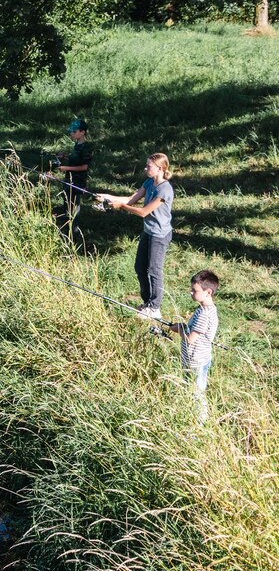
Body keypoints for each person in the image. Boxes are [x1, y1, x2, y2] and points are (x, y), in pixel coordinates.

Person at [95, 153, 174, 319]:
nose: (145, 169)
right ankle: (147, 304)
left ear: (160, 168)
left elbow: (144, 211)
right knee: (140, 267)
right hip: (148, 231)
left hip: (160, 235)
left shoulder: (165, 189)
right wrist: (108, 197)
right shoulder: (149, 182)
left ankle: (155, 308)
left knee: (154, 270)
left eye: (149, 166)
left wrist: (121, 206)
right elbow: (131, 199)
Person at [168, 270, 220, 423]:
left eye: (195, 290)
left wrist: (179, 329)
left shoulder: (203, 314)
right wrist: (184, 326)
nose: (191, 292)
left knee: (196, 393)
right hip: (201, 358)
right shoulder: (209, 309)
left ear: (208, 292)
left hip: (195, 361)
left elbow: (190, 339)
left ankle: (200, 423)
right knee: (193, 389)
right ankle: (191, 415)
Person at [51, 120, 93, 230]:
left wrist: (65, 168)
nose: (71, 134)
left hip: (77, 181)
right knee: (67, 202)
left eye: (74, 132)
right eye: (71, 132)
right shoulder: (77, 145)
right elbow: (75, 159)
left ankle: (74, 231)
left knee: (75, 206)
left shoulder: (86, 148)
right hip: (69, 180)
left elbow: (84, 167)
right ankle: (67, 226)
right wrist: (64, 156)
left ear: (82, 132)